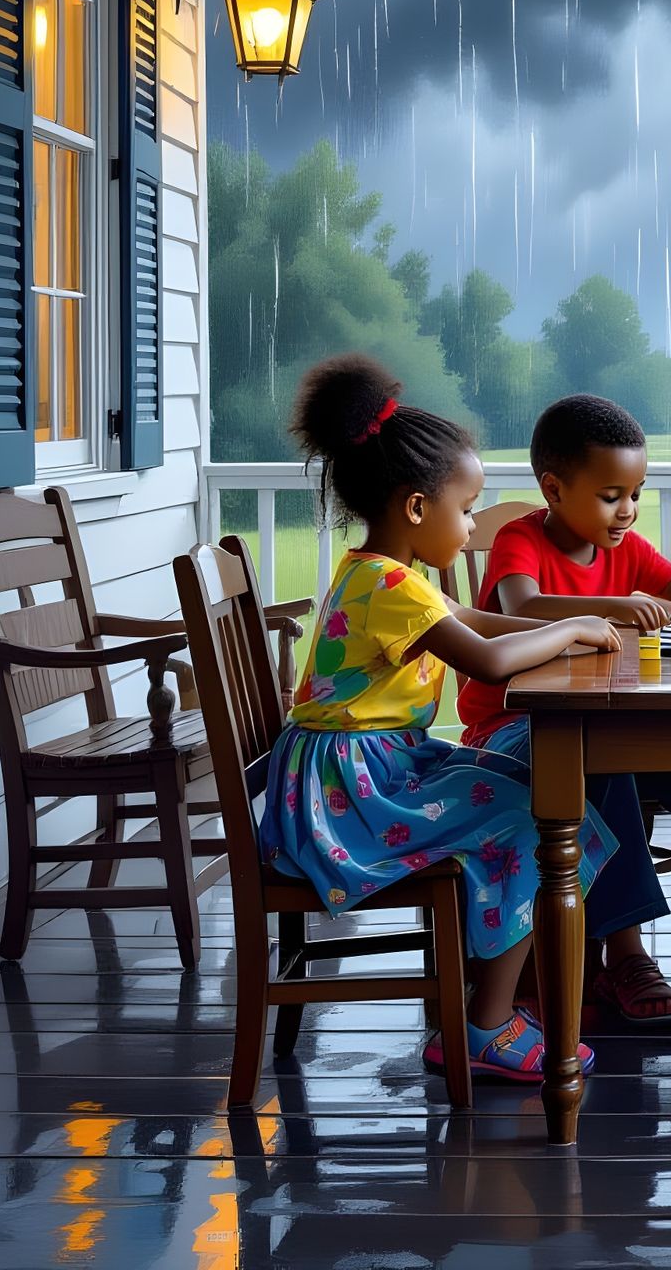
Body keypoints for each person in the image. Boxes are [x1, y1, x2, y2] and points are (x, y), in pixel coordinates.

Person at [260, 354, 623, 1086]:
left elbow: (478, 623)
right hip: (353, 792)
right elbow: (488, 661)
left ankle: (491, 1001)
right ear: (418, 508)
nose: (471, 529)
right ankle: (487, 1022)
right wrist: (574, 627)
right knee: (540, 818)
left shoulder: (383, 574)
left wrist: (568, 623)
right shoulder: (389, 585)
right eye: (465, 510)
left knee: (539, 796)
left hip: (366, 770)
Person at [458, 393, 671, 1030]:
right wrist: (611, 607)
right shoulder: (520, 540)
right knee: (601, 766)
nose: (628, 510)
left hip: (604, 721)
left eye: (635, 492)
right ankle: (625, 953)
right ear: (554, 489)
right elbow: (521, 607)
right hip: (512, 731)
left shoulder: (627, 548)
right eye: (612, 494)